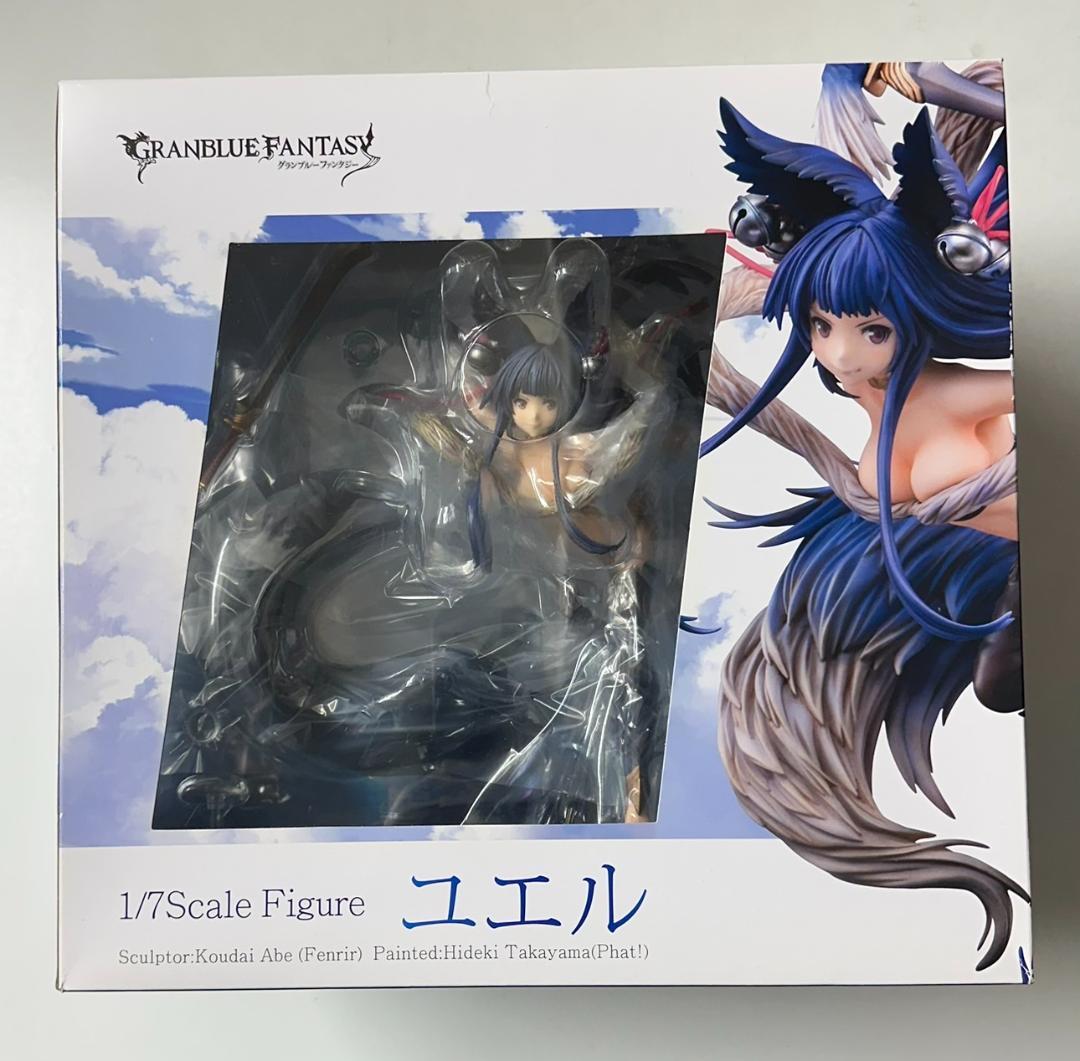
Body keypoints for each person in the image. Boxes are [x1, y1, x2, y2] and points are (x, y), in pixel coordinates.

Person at [695, 99, 1026, 970]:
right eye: (821, 328)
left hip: (1017, 566)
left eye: (869, 330)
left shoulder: (953, 391)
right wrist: (829, 462)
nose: (840, 354)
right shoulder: (863, 391)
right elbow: (707, 340)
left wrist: (987, 490)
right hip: (948, 568)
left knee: (1001, 683)